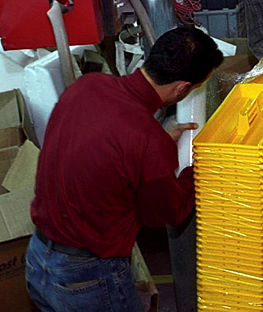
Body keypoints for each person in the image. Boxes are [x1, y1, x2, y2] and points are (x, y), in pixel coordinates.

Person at [26, 26, 224, 311]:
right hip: (87, 278)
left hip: (38, 258)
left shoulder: (88, 86)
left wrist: (154, 148)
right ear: (182, 88)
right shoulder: (146, 140)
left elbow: (100, 150)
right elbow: (169, 211)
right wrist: (199, 166)